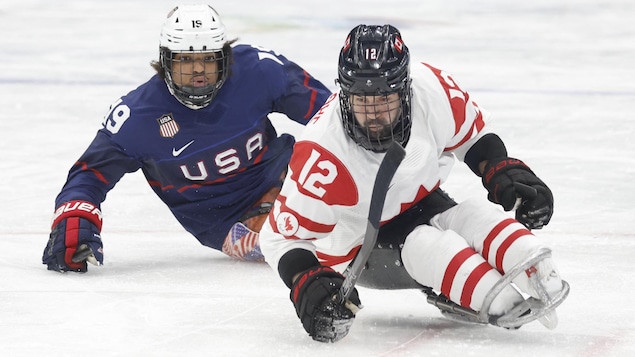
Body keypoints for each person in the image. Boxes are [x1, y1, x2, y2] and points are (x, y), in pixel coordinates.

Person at [259, 24, 570, 342]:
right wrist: (306, 281)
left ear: (405, 89)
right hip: (359, 243)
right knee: (431, 248)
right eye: (361, 100)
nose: (374, 114)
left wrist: (501, 169)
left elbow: (471, 135)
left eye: (384, 99)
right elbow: (279, 238)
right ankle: (487, 294)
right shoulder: (324, 153)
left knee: (476, 216)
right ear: (344, 94)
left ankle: (535, 268)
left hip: (419, 201)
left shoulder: (430, 87)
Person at [42, 4, 332, 272]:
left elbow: (331, 115)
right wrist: (75, 221)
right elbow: (89, 175)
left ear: (225, 57)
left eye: (208, 59)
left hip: (288, 173)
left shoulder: (259, 70)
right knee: (302, 240)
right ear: (165, 60)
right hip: (230, 219)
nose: (197, 70)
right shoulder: (137, 117)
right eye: (185, 60)